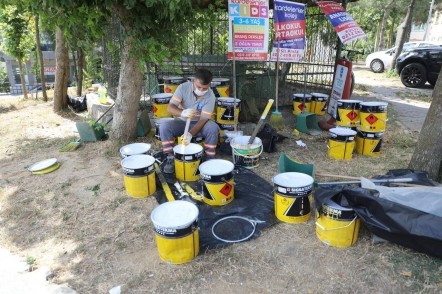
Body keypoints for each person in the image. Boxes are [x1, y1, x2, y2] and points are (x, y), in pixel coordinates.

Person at [159, 68, 220, 173]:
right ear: (193, 81)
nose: (201, 91)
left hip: (200, 124)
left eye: (204, 88)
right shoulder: (183, 88)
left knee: (213, 128)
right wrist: (182, 113)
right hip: (182, 122)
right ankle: (170, 157)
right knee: (164, 126)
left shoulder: (210, 95)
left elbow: (204, 119)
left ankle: (209, 158)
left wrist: (190, 134)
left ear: (209, 84)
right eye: (199, 87)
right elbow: (170, 107)